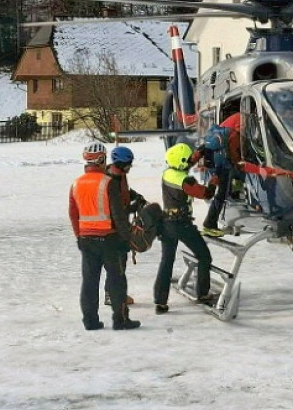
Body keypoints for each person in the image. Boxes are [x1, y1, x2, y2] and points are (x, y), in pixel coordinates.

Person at [69, 141, 141, 331]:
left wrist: (79, 236)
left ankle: (90, 321)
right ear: (101, 159)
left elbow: (73, 213)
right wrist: (127, 238)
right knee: (117, 281)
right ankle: (120, 320)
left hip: (86, 240)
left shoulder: (76, 184)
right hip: (109, 239)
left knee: (89, 282)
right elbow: (118, 214)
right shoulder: (108, 183)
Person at [154, 143, 218, 315]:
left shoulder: (168, 173)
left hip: (166, 223)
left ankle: (160, 302)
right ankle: (203, 294)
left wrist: (199, 153)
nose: (191, 160)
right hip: (181, 225)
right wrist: (213, 183)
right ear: (182, 161)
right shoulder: (186, 181)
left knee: (166, 261)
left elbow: (184, 164)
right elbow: (206, 194)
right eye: (188, 159)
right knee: (204, 256)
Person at [103, 146, 144, 307]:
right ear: (120, 163)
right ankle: (111, 295)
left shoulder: (120, 175)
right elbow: (117, 210)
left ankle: (116, 293)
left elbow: (125, 191)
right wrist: (133, 208)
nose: (130, 166)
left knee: (121, 261)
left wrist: (136, 196)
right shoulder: (111, 180)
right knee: (117, 262)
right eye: (128, 163)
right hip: (113, 227)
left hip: (120, 225)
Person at [201, 112, 243, 237]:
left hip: (215, 163)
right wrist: (239, 164)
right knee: (221, 195)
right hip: (223, 166)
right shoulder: (235, 133)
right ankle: (209, 225)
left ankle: (210, 223)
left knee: (221, 193)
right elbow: (234, 153)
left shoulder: (225, 128)